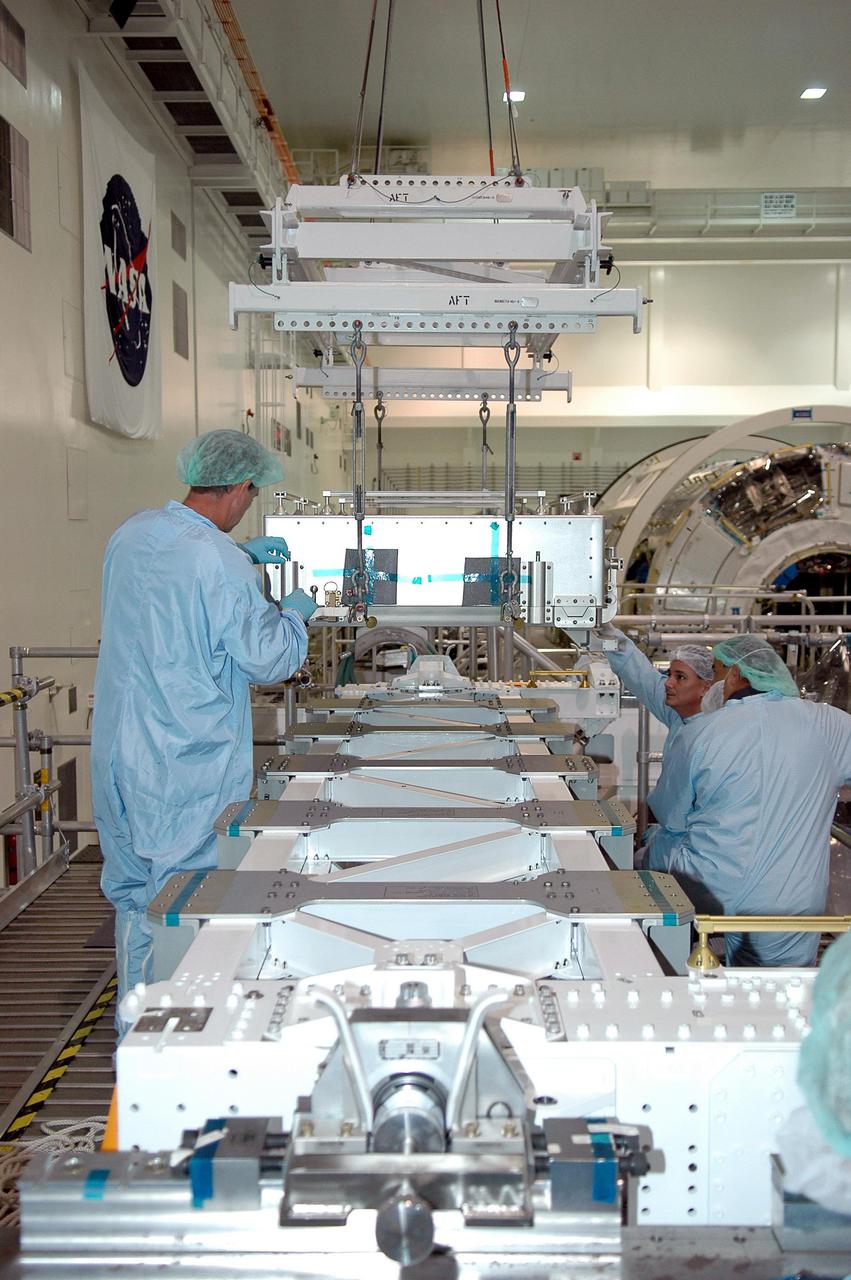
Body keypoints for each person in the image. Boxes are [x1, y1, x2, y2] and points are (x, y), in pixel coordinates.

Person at [92, 430, 317, 1028]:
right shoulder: (218, 560)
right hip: (182, 759)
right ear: (241, 488)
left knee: (135, 895)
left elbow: (171, 597)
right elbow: (268, 659)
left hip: (119, 748)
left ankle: (133, 1031)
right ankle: (173, 1045)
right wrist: (293, 614)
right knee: (182, 902)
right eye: (253, 493)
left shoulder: (131, 535)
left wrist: (239, 559)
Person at [652, 634, 851, 966]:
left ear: (734, 675)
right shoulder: (831, 725)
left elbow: (670, 815)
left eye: (716, 672)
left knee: (655, 846)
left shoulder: (700, 733)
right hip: (789, 901)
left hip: (708, 886)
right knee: (775, 994)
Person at [590, 624, 716, 863]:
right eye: (669, 674)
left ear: (706, 687)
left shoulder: (709, 735)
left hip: (695, 849)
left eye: (680, 677)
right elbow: (643, 677)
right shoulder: (679, 714)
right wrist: (611, 635)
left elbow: (676, 809)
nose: (668, 683)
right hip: (675, 835)